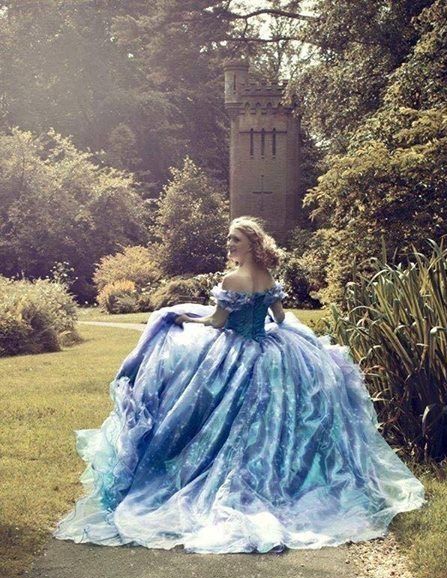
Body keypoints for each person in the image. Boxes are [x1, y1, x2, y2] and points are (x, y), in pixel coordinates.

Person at [53, 215, 426, 554]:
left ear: (251, 244)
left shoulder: (232, 280)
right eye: (229, 240)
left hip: (235, 350)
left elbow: (218, 322)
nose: (229, 245)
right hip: (268, 348)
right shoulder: (268, 278)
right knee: (266, 416)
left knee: (211, 402)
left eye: (236, 240)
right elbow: (280, 319)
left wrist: (186, 319)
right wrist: (288, 338)